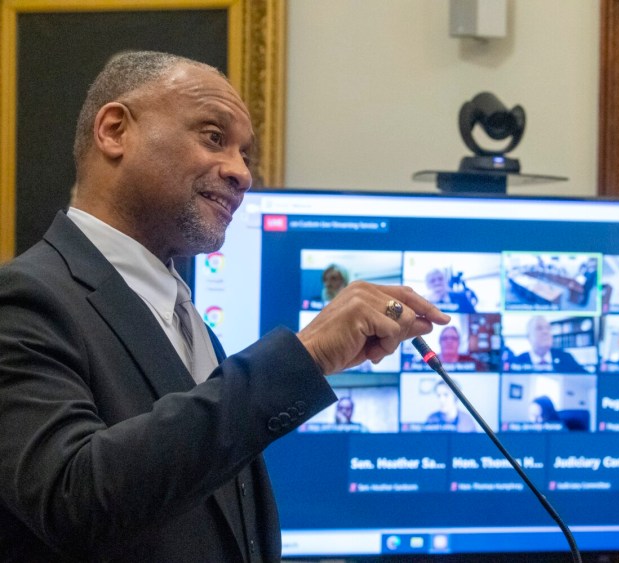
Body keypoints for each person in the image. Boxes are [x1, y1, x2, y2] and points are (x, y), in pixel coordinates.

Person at [0, 51, 449, 562]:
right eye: (214, 137)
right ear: (115, 130)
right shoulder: (23, 299)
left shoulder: (184, 314)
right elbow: (72, 498)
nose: (241, 173)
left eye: (245, 154)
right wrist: (306, 357)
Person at [512, 315, 587, 373]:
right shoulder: (517, 362)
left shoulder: (566, 358)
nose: (545, 332)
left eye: (548, 328)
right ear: (529, 337)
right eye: (539, 328)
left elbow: (587, 378)